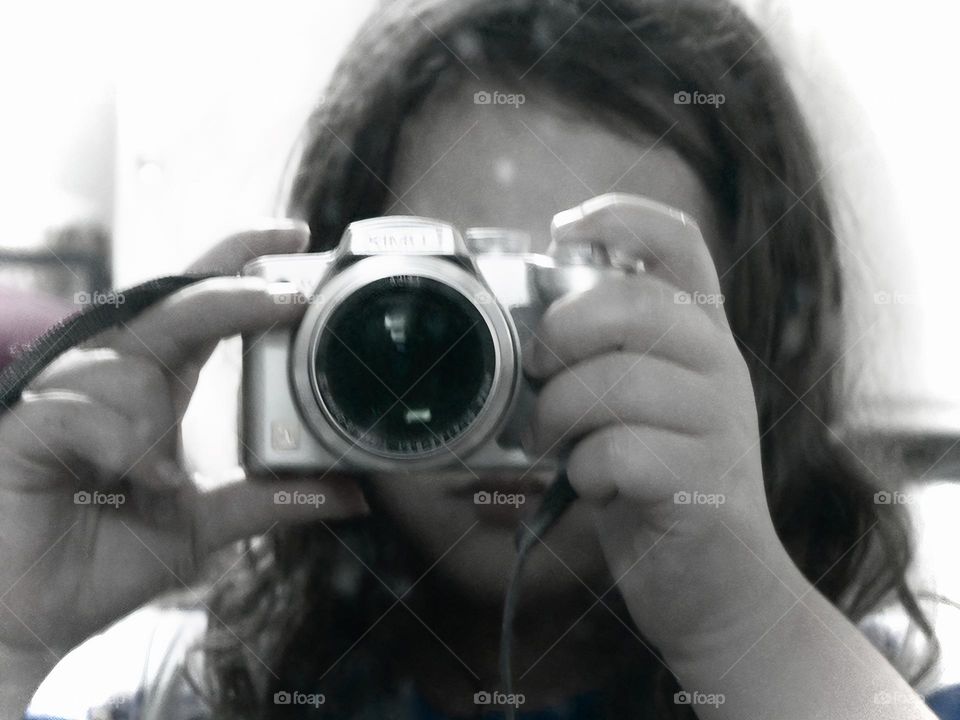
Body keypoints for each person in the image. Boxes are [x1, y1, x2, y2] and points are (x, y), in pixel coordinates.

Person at [1, 0, 953, 718]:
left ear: (751, 342)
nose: (499, 370)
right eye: (436, 302)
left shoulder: (857, 686)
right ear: (317, 312)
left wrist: (755, 634)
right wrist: (10, 641)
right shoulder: (177, 702)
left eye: (591, 294)